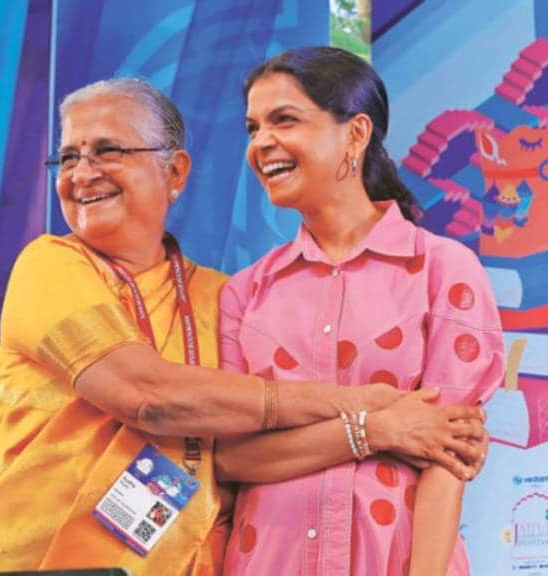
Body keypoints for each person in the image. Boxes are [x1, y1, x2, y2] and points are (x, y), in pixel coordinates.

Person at [0, 77, 489, 574]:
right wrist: (372, 409)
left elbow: (240, 456)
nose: (81, 173)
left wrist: (429, 435)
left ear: (176, 173)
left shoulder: (227, 295)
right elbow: (146, 395)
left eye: (108, 151)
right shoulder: (49, 265)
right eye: (68, 157)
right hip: (54, 563)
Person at [216, 47, 506, 576]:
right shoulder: (245, 292)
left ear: (355, 134)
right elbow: (233, 458)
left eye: (284, 120)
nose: (261, 143)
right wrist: (375, 429)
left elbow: (449, 453)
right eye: (253, 127)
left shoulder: (441, 270)